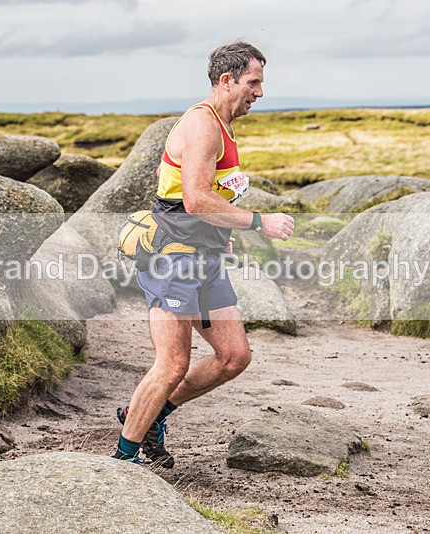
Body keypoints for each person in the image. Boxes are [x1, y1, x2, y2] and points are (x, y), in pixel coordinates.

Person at [112, 41, 294, 466]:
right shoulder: (202, 125)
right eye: (254, 82)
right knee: (173, 363)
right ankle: (123, 460)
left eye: (261, 83)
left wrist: (219, 232)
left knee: (233, 357)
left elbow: (200, 199)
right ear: (226, 79)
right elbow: (194, 198)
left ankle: (151, 416)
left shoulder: (224, 126)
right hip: (172, 260)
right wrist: (257, 221)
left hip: (204, 259)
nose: (260, 92)